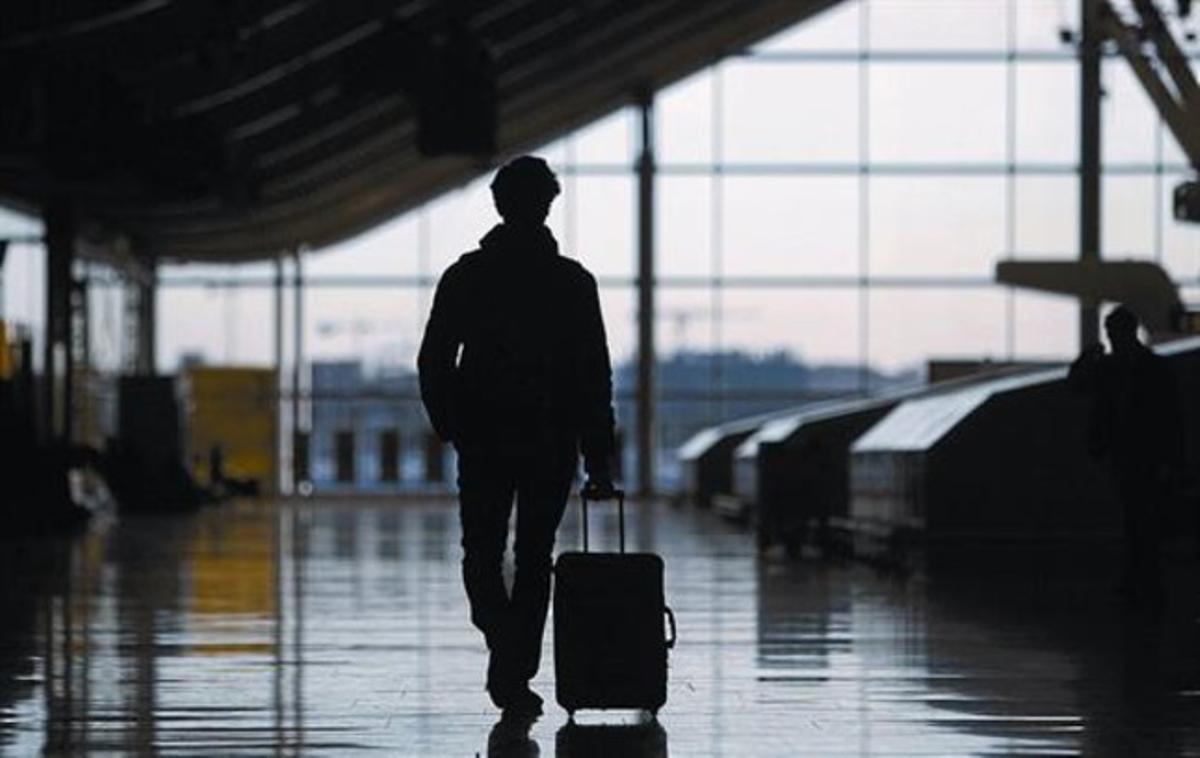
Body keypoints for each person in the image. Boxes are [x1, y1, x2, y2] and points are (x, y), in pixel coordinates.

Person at [418, 155, 617, 716]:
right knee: (534, 558)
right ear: (548, 204)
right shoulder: (573, 283)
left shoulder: (467, 276)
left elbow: (434, 358)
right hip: (550, 441)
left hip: (483, 437)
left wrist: (451, 422)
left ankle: (506, 654)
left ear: (499, 205)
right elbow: (592, 375)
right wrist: (598, 456)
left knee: (481, 554)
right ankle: (513, 665)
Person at [1068, 305, 1184, 603]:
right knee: (1139, 518)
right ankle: (1143, 580)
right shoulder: (1151, 368)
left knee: (1139, 518)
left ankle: (1140, 580)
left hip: (1136, 452)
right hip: (1134, 452)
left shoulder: (1113, 369)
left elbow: (1077, 388)